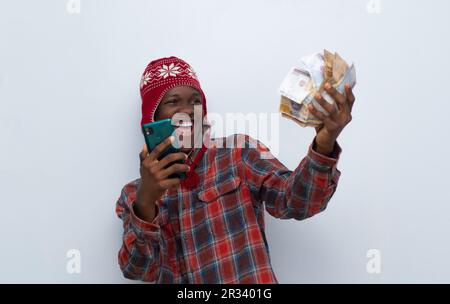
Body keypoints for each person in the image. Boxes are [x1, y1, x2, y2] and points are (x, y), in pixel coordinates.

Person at [115, 56, 355, 283]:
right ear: (152, 117)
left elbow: (298, 202)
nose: (188, 110)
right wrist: (146, 201)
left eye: (195, 101)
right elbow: (140, 270)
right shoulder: (132, 196)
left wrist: (324, 144)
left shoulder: (237, 153)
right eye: (173, 101)